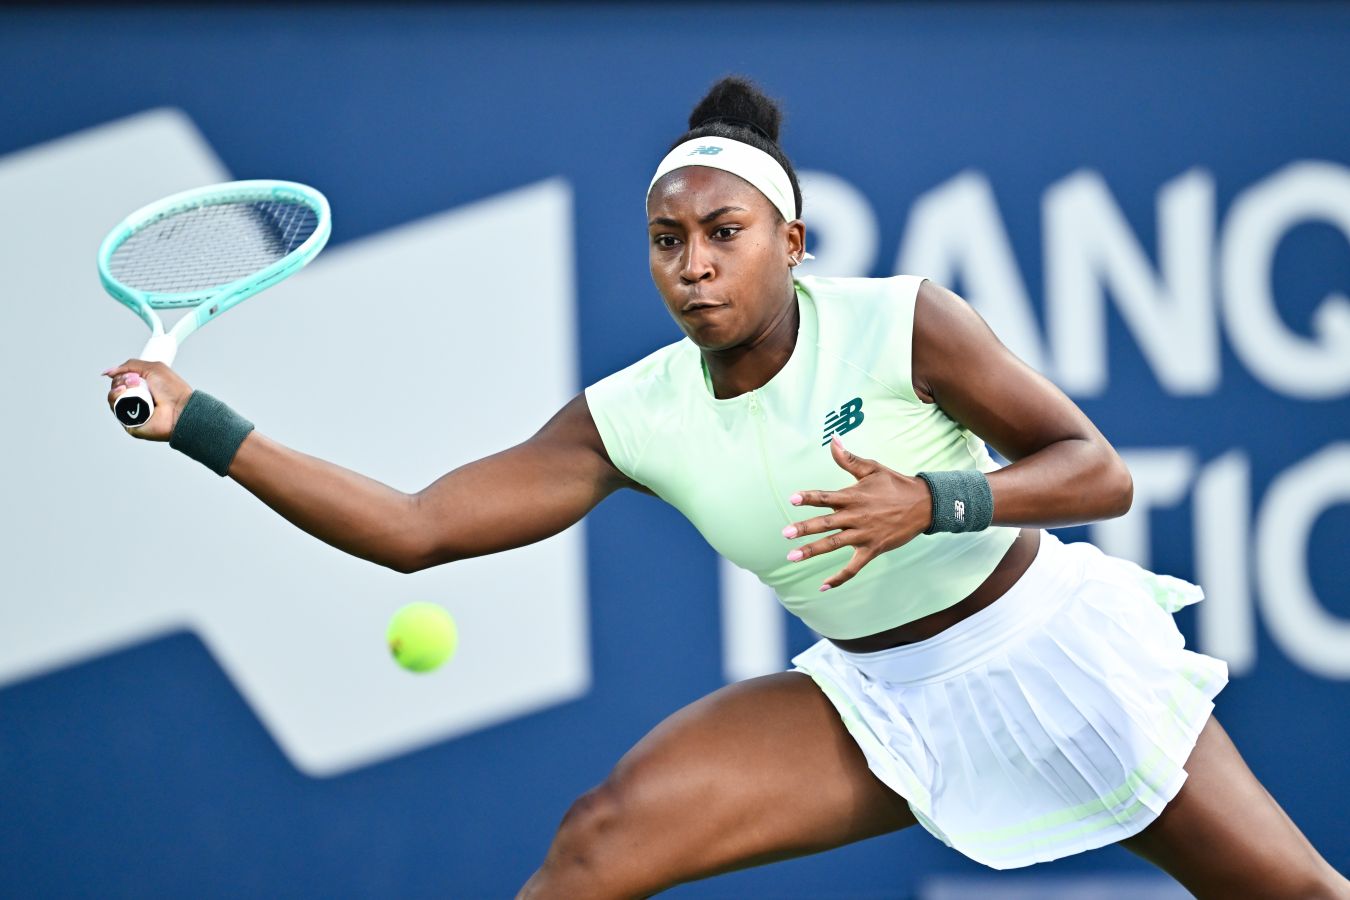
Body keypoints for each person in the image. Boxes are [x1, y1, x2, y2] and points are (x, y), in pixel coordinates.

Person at [105, 77, 1348, 898]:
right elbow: (416, 529)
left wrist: (935, 502)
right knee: (600, 840)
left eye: (724, 233)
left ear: (790, 244)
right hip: (880, 701)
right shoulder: (631, 416)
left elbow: (1098, 473)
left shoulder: (904, 322)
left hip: (1048, 653)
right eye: (668, 240)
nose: (693, 265)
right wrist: (200, 424)